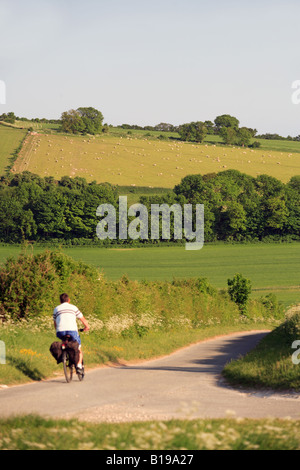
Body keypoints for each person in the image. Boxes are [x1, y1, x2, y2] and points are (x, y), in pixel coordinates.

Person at [53, 293, 89, 373]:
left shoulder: (56, 309)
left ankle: (63, 356)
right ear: (69, 300)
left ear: (60, 301)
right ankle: (79, 366)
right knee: (78, 348)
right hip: (72, 331)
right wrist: (87, 327)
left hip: (60, 331)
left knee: (64, 342)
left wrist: (57, 330)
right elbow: (82, 319)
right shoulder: (73, 307)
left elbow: (55, 323)